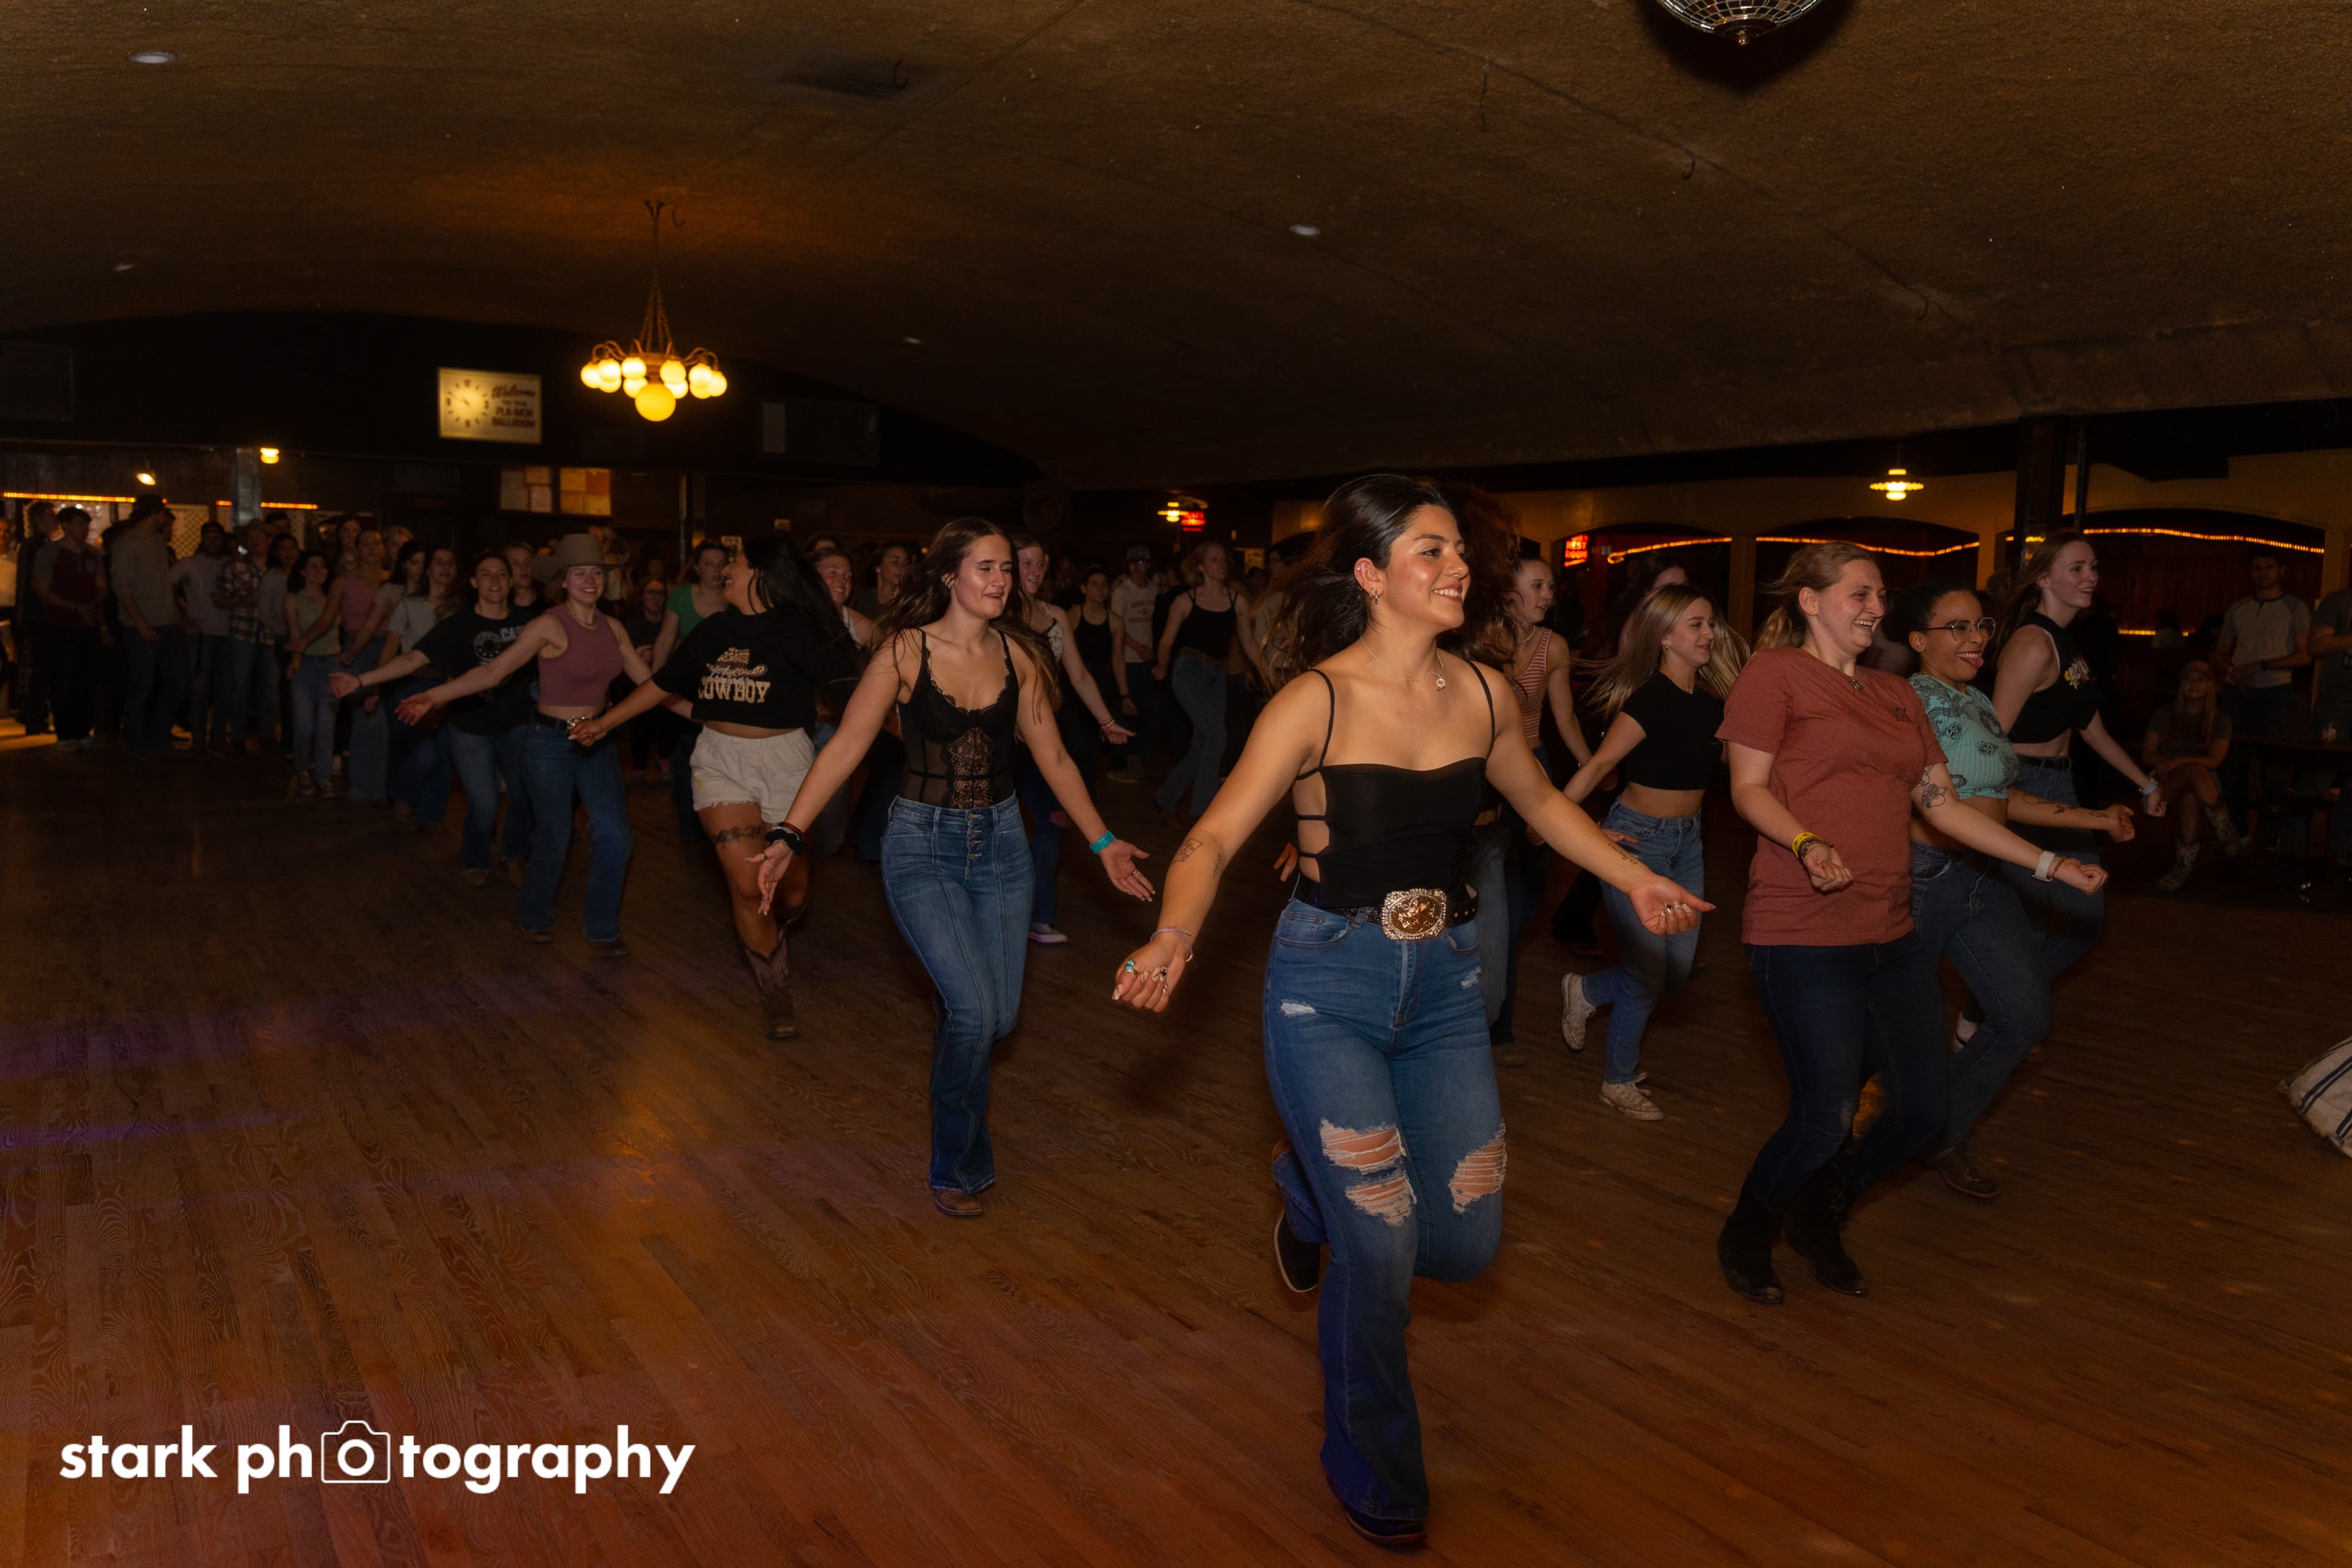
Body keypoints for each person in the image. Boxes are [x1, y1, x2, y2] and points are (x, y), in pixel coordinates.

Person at [1107, 475, 1704, 1548]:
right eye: (1429, 550)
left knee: (1465, 1243)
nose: (1455, 566)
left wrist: (1635, 874)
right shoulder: (1315, 701)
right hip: (1327, 982)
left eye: (1458, 550)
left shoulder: (1485, 693)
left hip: (1445, 986)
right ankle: (1374, 1465)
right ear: (1371, 576)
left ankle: (1305, 1187)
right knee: (1379, 1247)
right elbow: (1212, 835)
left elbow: (1541, 803)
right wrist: (1172, 935)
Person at [1714, 544, 2105, 1308]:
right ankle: (1747, 1231)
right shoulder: (1776, 675)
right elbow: (1748, 788)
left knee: (1923, 1111)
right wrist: (1807, 841)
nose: (1875, 608)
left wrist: (2049, 864)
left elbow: (1943, 805)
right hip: (1801, 930)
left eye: (1880, 596)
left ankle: (1820, 1214)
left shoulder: (1897, 693)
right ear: (1811, 601)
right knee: (1823, 1118)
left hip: (1891, 932)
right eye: (1859, 593)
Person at [750, 519, 1154, 1218]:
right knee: (973, 1010)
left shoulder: (1020, 654)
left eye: (1006, 569)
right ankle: (959, 1165)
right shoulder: (904, 651)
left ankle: (959, 1025)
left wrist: (1103, 842)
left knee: (997, 1019)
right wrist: (789, 831)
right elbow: (846, 746)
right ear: (949, 576)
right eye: (986, 568)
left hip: (1003, 846)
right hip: (922, 843)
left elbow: (1055, 758)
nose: (1000, 580)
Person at [1897, 580, 2136, 1196]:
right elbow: (1943, 806)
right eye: (1957, 627)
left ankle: (1939, 1128)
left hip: (1986, 874)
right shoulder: (1910, 701)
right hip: (1925, 877)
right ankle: (1844, 1146)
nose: (1976, 638)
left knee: (2023, 1014)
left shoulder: (1977, 699)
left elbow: (2002, 798)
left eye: (1981, 625)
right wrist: (2052, 864)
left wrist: (2095, 819)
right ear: (1918, 639)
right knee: (1893, 1030)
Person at [575, 538, 862, 1038]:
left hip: (788, 763)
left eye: (737, 561)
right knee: (749, 886)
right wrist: (604, 723)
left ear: (761, 573)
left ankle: (781, 925)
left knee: (791, 893)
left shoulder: (805, 632)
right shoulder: (713, 631)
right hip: (719, 760)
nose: (727, 569)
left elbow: (858, 698)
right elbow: (662, 683)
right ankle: (775, 987)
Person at [399, 534, 653, 953]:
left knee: (616, 834)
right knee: (554, 834)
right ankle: (534, 915)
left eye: (596, 572)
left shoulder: (613, 627)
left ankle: (603, 927)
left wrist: (709, 715)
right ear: (563, 581)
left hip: (598, 740)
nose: (589, 580)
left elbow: (652, 685)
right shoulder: (548, 624)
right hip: (550, 743)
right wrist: (434, 696)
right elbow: (493, 672)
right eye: (579, 573)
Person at [1560, 585, 1747, 1118]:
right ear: (1665, 636)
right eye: (1696, 624)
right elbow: (1600, 765)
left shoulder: (1710, 703)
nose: (1709, 634)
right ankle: (1616, 1082)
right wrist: (1559, 824)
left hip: (1688, 842)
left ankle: (1587, 992)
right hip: (1638, 842)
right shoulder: (1650, 699)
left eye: (1711, 623)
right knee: (1647, 973)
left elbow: (1733, 764)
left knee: (1676, 972)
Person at [1988, 534, 2165, 986]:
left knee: (2085, 922)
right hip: (2023, 787)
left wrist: (2146, 785)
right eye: (2077, 568)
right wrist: (1993, 804)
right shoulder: (2033, 644)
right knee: (2034, 924)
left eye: (2094, 567)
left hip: (2060, 785)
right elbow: (1993, 735)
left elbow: (2092, 730)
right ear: (2044, 579)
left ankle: (1996, 1009)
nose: (2092, 578)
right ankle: (1995, 1013)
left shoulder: (2067, 642)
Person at [337, 551, 534, 883]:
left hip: (517, 724)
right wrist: (360, 681)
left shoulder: (528, 623)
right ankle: (475, 858)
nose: (495, 581)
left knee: (523, 793)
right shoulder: (457, 625)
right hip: (470, 727)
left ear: (511, 582)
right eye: (486, 574)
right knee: (485, 802)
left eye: (502, 574)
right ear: (474, 583)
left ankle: (513, 854)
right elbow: (412, 659)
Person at [1478, 551, 1596, 1061]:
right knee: (1492, 904)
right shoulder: (1480, 639)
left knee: (1522, 907)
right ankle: (1496, 1030)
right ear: (1510, 591)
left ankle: (1488, 1006)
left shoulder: (1555, 646)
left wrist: (1593, 765)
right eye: (1539, 585)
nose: (1549, 595)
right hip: (1486, 777)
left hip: (1535, 771)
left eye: (1552, 587)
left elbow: (1564, 718)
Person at [1012, 536, 1134, 944]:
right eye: (1025, 563)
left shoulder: (1055, 615)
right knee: (997, 829)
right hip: (1002, 741)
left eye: (1039, 564)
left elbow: (1079, 675)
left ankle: (1039, 916)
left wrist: (1107, 721)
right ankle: (1001, 915)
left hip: (1045, 735)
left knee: (1053, 821)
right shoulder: (995, 615)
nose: (1034, 572)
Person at [1152, 541, 1261, 825]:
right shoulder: (1185, 601)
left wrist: (1268, 670)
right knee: (1216, 736)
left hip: (1217, 675)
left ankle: (1166, 796)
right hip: (1188, 672)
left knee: (1205, 742)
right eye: (1214, 560)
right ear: (1200, 566)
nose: (1221, 564)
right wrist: (1162, 664)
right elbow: (1166, 641)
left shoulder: (1237, 601)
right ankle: (1203, 813)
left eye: (1224, 560)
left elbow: (1249, 644)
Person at [2214, 548, 2312, 839]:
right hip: (2238, 692)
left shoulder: (2295, 607)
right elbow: (2220, 652)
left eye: (2269, 567)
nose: (2263, 573)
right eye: (2257, 567)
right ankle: (2236, 832)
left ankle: (2270, 836)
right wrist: (2235, 672)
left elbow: (2304, 655)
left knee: (2273, 764)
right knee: (2232, 760)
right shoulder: (2239, 608)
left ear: (2281, 571)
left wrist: (2262, 665)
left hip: (2275, 691)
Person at [654, 541, 731, 840]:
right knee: (691, 755)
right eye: (709, 563)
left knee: (719, 758)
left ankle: (716, 821)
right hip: (690, 688)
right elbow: (665, 640)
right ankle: (689, 823)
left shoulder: (734, 598)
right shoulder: (682, 596)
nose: (716, 569)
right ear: (697, 567)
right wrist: (655, 685)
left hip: (726, 689)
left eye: (721, 563)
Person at [379, 546, 460, 829]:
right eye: (438, 562)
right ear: (428, 570)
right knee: (424, 753)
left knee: (445, 757)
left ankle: (430, 816)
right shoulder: (409, 605)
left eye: (450, 563)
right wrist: (375, 685)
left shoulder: (461, 609)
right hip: (411, 683)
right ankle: (402, 795)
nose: (445, 568)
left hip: (450, 685)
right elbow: (391, 648)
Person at [2141, 660, 2238, 893]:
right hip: (2166, 777)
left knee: (2190, 795)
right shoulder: (2165, 713)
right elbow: (2147, 754)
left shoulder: (2221, 720)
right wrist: (2173, 764)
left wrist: (2181, 761)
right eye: (2188, 679)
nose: (2193, 684)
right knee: (2194, 772)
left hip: (2203, 782)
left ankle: (2183, 866)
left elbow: (2215, 760)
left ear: (2211, 685)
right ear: (2181, 685)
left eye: (2200, 679)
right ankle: (2226, 833)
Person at [111, 497, 185, 759]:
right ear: (155, 513)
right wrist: (140, 622)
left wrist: (175, 616)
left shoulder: (156, 541)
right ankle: (137, 742)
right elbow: (122, 588)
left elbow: (163, 584)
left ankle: (158, 736)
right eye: (163, 514)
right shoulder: (127, 543)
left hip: (165, 622)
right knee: (142, 684)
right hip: (140, 624)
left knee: (174, 681)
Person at [30, 507, 105, 750]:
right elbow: (43, 589)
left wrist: (92, 606)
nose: (84, 529)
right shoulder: (50, 553)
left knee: (87, 678)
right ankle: (66, 733)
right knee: (64, 677)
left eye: (85, 524)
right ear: (66, 526)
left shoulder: (92, 554)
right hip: (60, 625)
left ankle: (83, 730)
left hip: (88, 624)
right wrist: (74, 607)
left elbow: (102, 586)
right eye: (79, 524)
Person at [336, 529, 400, 802]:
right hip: (358, 651)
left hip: (389, 648)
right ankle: (360, 788)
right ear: (356, 548)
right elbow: (331, 618)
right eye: (365, 543)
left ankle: (380, 788)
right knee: (363, 721)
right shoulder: (344, 581)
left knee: (385, 722)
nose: (372, 548)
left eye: (377, 543)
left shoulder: (392, 581)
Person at [282, 548, 348, 795]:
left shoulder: (334, 598)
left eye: (323, 566)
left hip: (331, 663)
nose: (319, 571)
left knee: (325, 726)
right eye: (313, 566)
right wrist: (294, 661)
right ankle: (301, 768)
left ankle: (324, 775)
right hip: (306, 664)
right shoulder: (292, 599)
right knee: (304, 725)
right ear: (302, 571)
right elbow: (294, 634)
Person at [172, 521, 237, 753]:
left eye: (217, 537)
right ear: (202, 539)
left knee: (224, 687)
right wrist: (180, 617)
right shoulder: (190, 564)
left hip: (228, 632)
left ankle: (217, 736)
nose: (213, 541)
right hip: (200, 632)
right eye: (208, 537)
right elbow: (168, 584)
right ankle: (198, 737)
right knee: (200, 688)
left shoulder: (230, 564)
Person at [2304, 580, 2352, 882]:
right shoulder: (2339, 601)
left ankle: (2342, 854)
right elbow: (2315, 646)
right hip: (2336, 705)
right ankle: (2296, 852)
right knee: (2317, 778)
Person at [1109, 544, 1161, 772]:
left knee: (1152, 709)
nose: (1138, 568)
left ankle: (1141, 750)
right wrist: (1139, 648)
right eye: (1134, 563)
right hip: (1129, 659)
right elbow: (1117, 628)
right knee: (1132, 708)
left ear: (1148, 565)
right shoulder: (1122, 592)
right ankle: (1129, 755)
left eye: (1142, 563)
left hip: (1148, 659)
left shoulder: (1154, 590)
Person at [12, 500, 58, 732]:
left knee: (39, 665)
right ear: (39, 519)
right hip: (39, 614)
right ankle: (34, 714)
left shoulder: (34, 545)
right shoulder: (38, 546)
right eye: (51, 516)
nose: (55, 520)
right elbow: (33, 582)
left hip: (34, 613)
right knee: (41, 666)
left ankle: (32, 713)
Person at [811, 546, 876, 648]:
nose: (842, 580)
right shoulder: (793, 617)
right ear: (812, 576)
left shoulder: (860, 625)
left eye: (847, 576)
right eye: (833, 573)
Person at [851, 539, 915, 620]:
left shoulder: (908, 602)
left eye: (906, 563)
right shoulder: (861, 598)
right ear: (878, 566)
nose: (902, 568)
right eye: (895, 562)